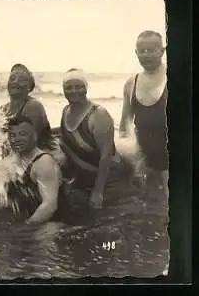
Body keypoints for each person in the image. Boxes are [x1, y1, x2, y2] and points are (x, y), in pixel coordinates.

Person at [58, 69, 128, 211]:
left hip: (108, 179)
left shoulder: (98, 115)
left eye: (79, 86)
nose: (74, 91)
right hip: (85, 177)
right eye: (69, 87)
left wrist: (98, 192)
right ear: (63, 90)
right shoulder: (66, 111)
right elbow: (67, 134)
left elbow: (106, 156)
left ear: (86, 87)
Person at [119, 30, 168, 197]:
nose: (146, 55)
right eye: (142, 51)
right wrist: (134, 158)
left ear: (162, 51)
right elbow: (125, 124)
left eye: (151, 50)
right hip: (145, 157)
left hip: (172, 157)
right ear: (136, 52)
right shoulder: (131, 83)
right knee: (150, 206)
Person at [2, 116, 62, 224]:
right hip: (24, 218)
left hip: (49, 224)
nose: (16, 139)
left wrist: (26, 227)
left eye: (22, 134)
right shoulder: (11, 160)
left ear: (34, 136)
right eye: (12, 135)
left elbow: (50, 206)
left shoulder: (43, 163)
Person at [0, 63, 54, 150]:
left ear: (29, 87)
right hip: (15, 153)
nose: (15, 81)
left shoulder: (33, 106)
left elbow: (28, 142)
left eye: (21, 79)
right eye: (12, 78)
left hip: (38, 153)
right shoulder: (2, 109)